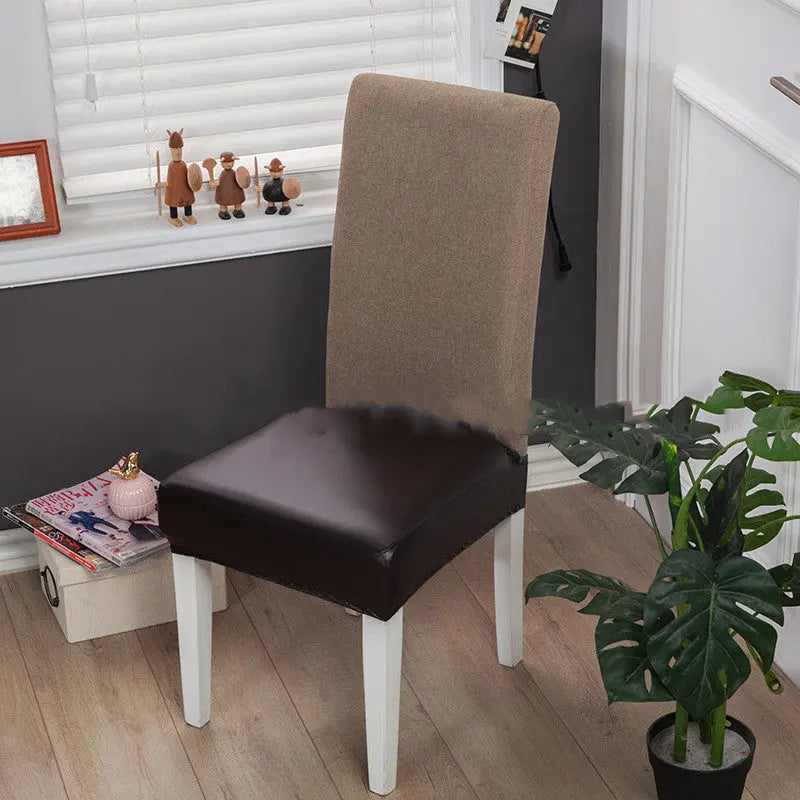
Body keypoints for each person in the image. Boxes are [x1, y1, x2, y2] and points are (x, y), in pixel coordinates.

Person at [158, 129, 196, 227]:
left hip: (185, 189)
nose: (178, 154)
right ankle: (173, 217)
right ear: (171, 151)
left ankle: (188, 215)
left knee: (187, 201)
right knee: (173, 202)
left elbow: (189, 176)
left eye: (179, 151)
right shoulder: (171, 166)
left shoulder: (183, 164)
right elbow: (169, 181)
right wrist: (161, 184)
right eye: (175, 151)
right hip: (174, 189)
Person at [214, 151, 247, 219]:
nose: (229, 164)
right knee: (223, 201)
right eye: (226, 162)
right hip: (224, 192)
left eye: (231, 162)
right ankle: (223, 211)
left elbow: (239, 180)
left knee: (237, 199)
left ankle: (238, 210)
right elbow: (219, 182)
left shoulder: (234, 173)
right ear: (221, 163)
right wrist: (214, 183)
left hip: (236, 190)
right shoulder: (223, 174)